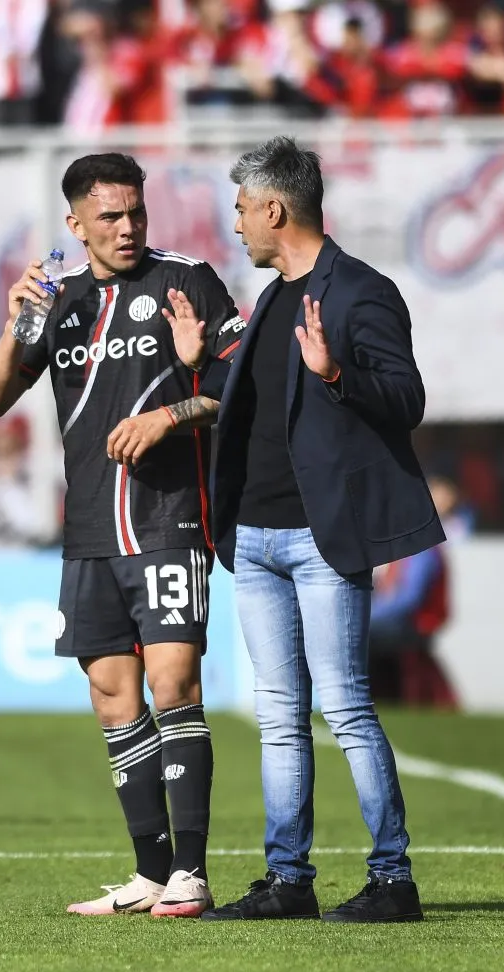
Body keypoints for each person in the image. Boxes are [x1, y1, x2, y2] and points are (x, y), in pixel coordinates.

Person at [164, 136, 445, 922]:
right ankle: (287, 880)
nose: (237, 226)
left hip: (321, 539)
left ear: (274, 208)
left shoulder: (358, 291)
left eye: (242, 211)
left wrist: (335, 373)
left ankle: (393, 881)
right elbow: (263, 402)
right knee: (279, 715)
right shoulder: (274, 297)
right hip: (252, 538)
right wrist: (201, 366)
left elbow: (405, 398)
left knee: (346, 707)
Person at [0, 151, 245, 918]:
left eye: (135, 214)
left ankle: (190, 873)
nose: (127, 229)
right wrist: (12, 326)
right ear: (75, 225)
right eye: (109, 218)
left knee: (172, 685)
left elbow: (239, 380)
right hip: (90, 527)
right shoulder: (55, 302)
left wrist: (171, 411)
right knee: (110, 694)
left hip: (167, 519)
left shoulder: (184, 279)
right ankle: (150, 874)